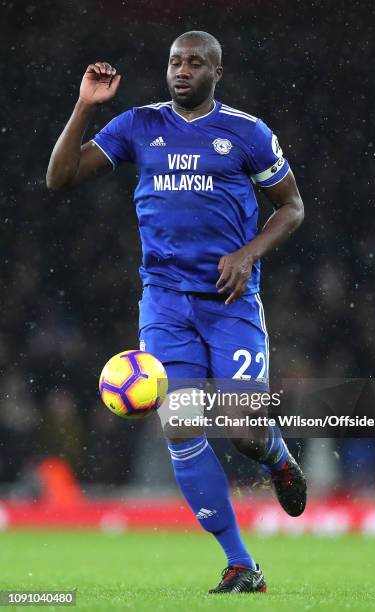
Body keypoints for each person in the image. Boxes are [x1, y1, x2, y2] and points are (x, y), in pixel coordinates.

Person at [47, 30, 306, 594]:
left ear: (218, 72)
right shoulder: (139, 125)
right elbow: (59, 179)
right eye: (174, 62)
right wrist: (85, 107)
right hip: (165, 303)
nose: (181, 71)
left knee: (241, 430)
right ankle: (242, 565)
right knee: (183, 428)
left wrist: (248, 252)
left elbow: (292, 207)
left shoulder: (246, 133)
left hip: (231, 303)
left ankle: (276, 455)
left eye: (194, 63)